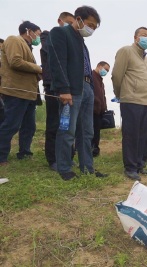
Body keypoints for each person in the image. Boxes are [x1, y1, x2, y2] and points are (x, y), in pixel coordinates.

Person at [48, 6, 108, 180]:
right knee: (67, 131)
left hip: (87, 89)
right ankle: (65, 168)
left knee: (86, 132)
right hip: (71, 90)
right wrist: (64, 89)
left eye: (95, 27)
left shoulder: (82, 42)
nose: (91, 29)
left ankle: (87, 168)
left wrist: (91, 89)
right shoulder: (60, 33)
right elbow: (57, 63)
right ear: (78, 19)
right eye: (90, 24)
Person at [112, 26, 147, 181]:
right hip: (131, 99)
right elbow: (117, 75)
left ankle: (138, 165)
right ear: (135, 37)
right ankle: (130, 167)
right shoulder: (126, 51)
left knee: (142, 135)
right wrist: (120, 94)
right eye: (144, 35)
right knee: (131, 135)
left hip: (145, 101)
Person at [0, 21, 42, 167]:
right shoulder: (14, 39)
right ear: (29, 31)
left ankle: (25, 153)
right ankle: (1, 156)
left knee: (29, 127)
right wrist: (38, 68)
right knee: (11, 124)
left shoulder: (29, 48)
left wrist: (37, 74)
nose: (39, 37)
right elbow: (15, 62)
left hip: (29, 93)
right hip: (16, 91)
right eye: (38, 34)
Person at [41, 12, 77, 171]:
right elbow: (57, 56)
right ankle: (52, 158)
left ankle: (67, 156)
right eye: (68, 22)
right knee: (54, 123)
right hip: (53, 85)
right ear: (60, 21)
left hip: (69, 86)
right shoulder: (48, 36)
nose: (70, 26)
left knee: (67, 124)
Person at [92, 61, 110, 157]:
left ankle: (95, 149)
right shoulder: (91, 76)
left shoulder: (100, 80)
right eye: (105, 69)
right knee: (90, 131)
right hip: (91, 108)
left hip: (99, 110)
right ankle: (90, 149)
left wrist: (104, 107)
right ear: (99, 66)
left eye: (107, 71)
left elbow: (102, 95)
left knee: (96, 131)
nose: (106, 72)